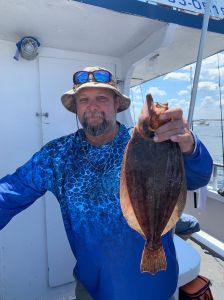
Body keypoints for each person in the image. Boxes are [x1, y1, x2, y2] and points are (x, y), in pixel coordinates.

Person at [0, 66, 213, 300]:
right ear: (77, 108)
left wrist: (189, 143)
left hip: (156, 287)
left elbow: (198, 177)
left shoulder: (151, 141)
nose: (92, 106)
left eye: (101, 98)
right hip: (94, 289)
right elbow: (10, 192)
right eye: (84, 100)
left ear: (116, 104)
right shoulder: (56, 156)